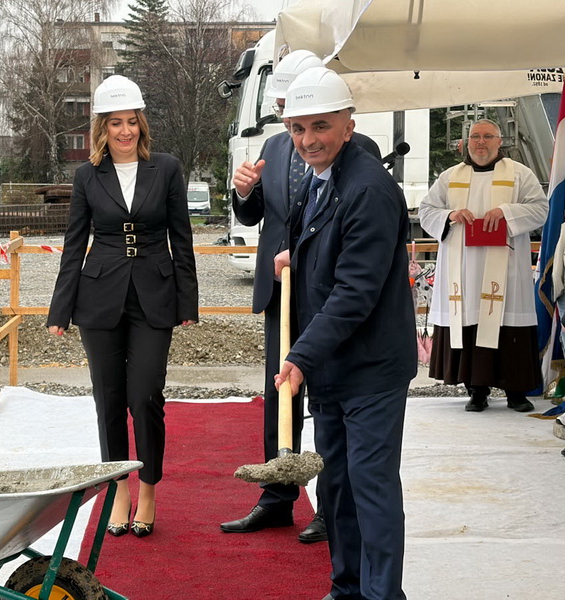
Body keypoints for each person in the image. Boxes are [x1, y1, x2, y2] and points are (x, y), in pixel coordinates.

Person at [221, 50, 381, 544]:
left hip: (328, 294)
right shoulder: (273, 144)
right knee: (280, 392)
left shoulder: (360, 149)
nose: (300, 129)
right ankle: (277, 497)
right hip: (281, 290)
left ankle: (331, 508)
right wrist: (242, 191)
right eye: (286, 110)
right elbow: (253, 216)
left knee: (329, 399)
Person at [274, 66, 417, 600]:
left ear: (348, 124)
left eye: (321, 126)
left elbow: (356, 290)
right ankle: (348, 588)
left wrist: (300, 355)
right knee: (337, 487)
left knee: (370, 486)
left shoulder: (369, 189)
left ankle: (382, 595)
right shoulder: (322, 179)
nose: (308, 140)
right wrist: (299, 255)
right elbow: (332, 252)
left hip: (371, 369)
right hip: (334, 366)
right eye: (298, 129)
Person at [47, 75, 198, 538]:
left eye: (132, 122)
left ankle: (147, 490)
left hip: (155, 294)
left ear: (141, 124)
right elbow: (75, 243)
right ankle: (118, 491)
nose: (125, 131)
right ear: (103, 128)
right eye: (116, 123)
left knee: (145, 395)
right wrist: (60, 309)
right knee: (108, 399)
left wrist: (187, 300)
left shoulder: (166, 169)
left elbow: (182, 238)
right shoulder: (87, 176)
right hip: (99, 298)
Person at [418, 118, 548, 412]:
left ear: (499, 142)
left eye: (487, 136)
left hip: (506, 269)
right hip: (463, 271)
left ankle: (516, 393)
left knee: (509, 327)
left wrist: (506, 211)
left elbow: (540, 209)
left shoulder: (519, 174)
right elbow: (427, 210)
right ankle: (476, 391)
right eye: (475, 136)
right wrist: (450, 215)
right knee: (469, 324)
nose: (480, 142)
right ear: (467, 143)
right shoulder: (450, 176)